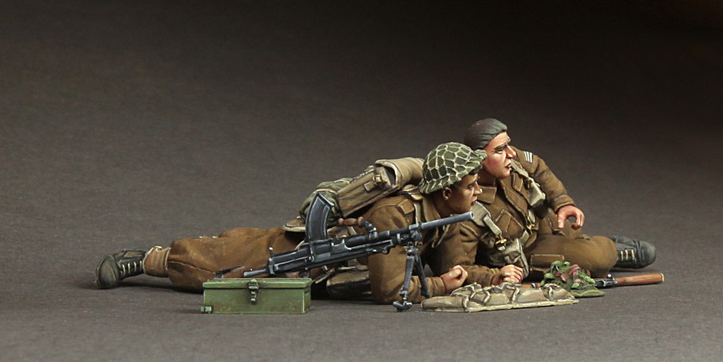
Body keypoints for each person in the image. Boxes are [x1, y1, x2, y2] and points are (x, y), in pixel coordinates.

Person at [94, 142, 492, 305]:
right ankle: (144, 260)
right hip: (302, 252)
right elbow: (389, 290)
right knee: (207, 265)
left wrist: (494, 276)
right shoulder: (398, 214)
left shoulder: (444, 218)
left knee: (234, 246)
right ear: (445, 191)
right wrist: (440, 287)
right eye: (471, 185)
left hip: (323, 272)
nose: (478, 192)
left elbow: (453, 266)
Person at [433, 118, 656, 286]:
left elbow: (538, 168)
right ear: (479, 158)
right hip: (527, 250)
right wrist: (494, 276)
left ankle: (594, 243)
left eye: (508, 145)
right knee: (596, 259)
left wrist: (562, 203)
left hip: (542, 221)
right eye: (500, 150)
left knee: (574, 232)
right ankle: (612, 252)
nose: (511, 153)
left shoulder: (509, 160)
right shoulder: (465, 208)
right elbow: (459, 268)